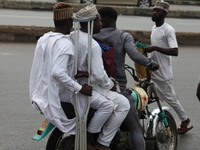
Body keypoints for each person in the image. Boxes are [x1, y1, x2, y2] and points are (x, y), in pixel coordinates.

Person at [94, 7, 159, 150]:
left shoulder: (92, 35)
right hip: (117, 89)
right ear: (113, 20)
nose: (97, 21)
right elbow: (135, 56)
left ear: (104, 20)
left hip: (94, 88)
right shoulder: (123, 36)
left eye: (98, 18)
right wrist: (151, 64)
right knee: (135, 128)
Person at [70, 4, 130, 150]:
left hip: (74, 82)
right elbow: (98, 74)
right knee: (123, 104)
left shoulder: (73, 35)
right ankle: (101, 142)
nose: (101, 24)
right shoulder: (93, 45)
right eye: (99, 21)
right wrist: (111, 84)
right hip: (90, 86)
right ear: (92, 22)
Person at [29, 2, 94, 134]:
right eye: (71, 21)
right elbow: (58, 73)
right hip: (60, 92)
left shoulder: (45, 38)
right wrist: (80, 88)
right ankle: (93, 139)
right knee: (106, 104)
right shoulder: (65, 43)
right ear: (68, 22)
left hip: (42, 91)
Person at [143, 1, 193, 134]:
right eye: (154, 10)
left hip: (164, 73)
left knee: (170, 98)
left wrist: (154, 48)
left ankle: (185, 119)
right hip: (154, 70)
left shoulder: (168, 30)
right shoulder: (154, 29)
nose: (154, 13)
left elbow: (174, 51)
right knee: (149, 94)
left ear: (164, 14)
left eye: (158, 11)